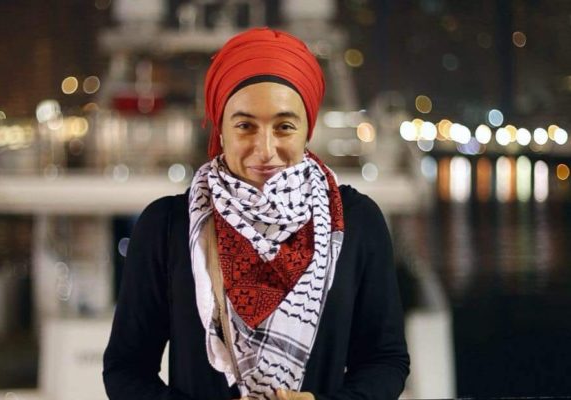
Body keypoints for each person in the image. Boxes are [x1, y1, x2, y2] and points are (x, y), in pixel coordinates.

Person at [102, 27, 410, 400]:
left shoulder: (356, 221)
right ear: (220, 127)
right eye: (245, 126)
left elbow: (384, 360)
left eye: (284, 127)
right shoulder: (167, 226)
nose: (265, 149)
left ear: (307, 130)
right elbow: (126, 369)